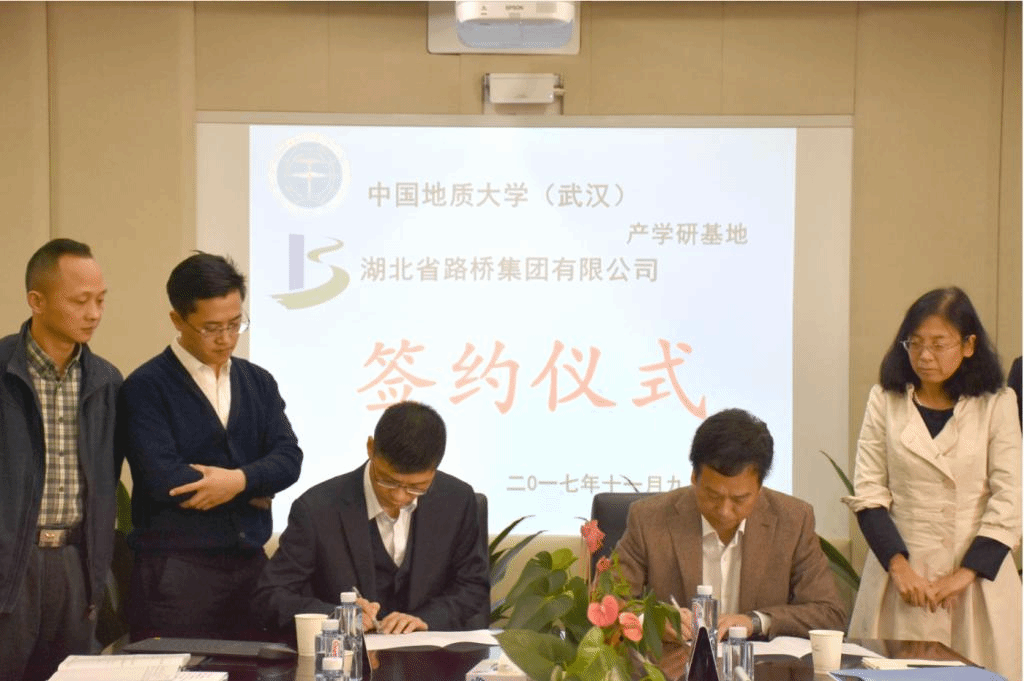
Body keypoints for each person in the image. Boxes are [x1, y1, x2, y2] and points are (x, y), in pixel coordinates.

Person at [120, 252, 303, 641]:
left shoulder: (258, 382)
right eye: (211, 328)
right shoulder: (146, 387)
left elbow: (289, 459)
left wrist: (238, 482)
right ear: (178, 319)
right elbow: (162, 479)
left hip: (251, 569)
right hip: (176, 576)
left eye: (236, 325)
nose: (226, 339)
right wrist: (255, 487)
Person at [843, 286, 1021, 680]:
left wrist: (963, 575)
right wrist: (900, 569)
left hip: (976, 582)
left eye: (939, 345)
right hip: (901, 579)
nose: (925, 356)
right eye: (915, 343)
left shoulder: (997, 403)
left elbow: (1010, 499)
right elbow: (868, 492)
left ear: (968, 345)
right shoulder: (885, 400)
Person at [253, 401, 489, 636]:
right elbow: (270, 595)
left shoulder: (457, 500)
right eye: (387, 481)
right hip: (348, 654)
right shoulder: (317, 509)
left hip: (429, 654)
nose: (399, 496)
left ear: (435, 468)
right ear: (370, 448)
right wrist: (335, 615)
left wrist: (427, 619)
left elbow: (473, 586)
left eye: (416, 488)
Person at [615, 408, 846, 641]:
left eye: (739, 499)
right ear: (694, 477)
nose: (724, 511)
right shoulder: (649, 519)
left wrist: (756, 621)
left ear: (760, 487)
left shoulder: (793, 520)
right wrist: (651, 621)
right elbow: (608, 602)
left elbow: (828, 613)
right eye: (713, 495)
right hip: (677, 660)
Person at [0, 239, 121, 681]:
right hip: (12, 561)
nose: (94, 313)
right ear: (37, 301)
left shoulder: (106, 381)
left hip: (74, 561)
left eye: (100, 300)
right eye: (80, 301)